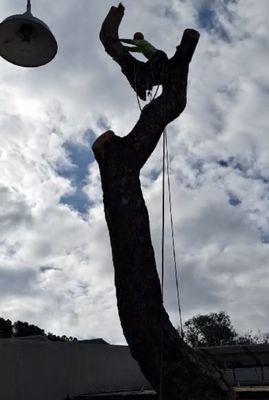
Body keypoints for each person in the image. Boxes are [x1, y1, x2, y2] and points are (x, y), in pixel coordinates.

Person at [119, 32, 168, 99]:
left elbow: (131, 42)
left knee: (145, 68)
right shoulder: (141, 48)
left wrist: (119, 40)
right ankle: (149, 83)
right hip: (159, 58)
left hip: (158, 56)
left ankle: (148, 84)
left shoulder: (143, 42)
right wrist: (121, 46)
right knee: (149, 70)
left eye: (136, 38)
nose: (136, 39)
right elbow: (131, 49)